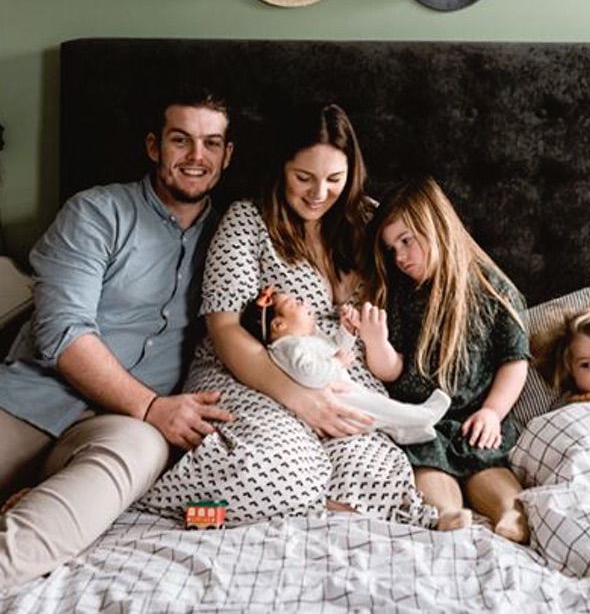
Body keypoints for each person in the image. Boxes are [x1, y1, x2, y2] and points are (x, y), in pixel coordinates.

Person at [0, 90, 235, 597]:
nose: (196, 157)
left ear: (227, 156)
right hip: (29, 399)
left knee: (139, 451)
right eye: (181, 140)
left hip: (117, 429)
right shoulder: (97, 212)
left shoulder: (234, 234)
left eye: (211, 143)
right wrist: (151, 406)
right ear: (153, 146)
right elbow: (63, 332)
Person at [141, 103, 438, 529]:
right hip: (252, 373)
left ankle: (312, 513)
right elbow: (223, 328)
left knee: (380, 477)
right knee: (281, 475)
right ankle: (165, 508)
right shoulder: (247, 222)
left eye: (334, 180)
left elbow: (443, 258)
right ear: (282, 168)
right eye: (304, 178)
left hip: (339, 381)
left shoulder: (369, 222)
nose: (319, 193)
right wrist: (299, 398)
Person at [364, 176, 531, 542]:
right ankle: (449, 515)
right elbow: (395, 370)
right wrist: (376, 343)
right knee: (427, 471)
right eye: (392, 249)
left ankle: (509, 513)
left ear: (437, 226)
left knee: (488, 466)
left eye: (406, 242)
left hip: (476, 418)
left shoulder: (491, 289)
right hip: (424, 422)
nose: (400, 257)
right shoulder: (401, 297)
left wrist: (493, 412)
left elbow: (514, 359)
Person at [240, 285, 452, 445]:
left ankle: (406, 429)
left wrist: (347, 331)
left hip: (341, 391)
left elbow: (333, 348)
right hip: (333, 398)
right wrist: (336, 363)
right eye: (295, 303)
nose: (303, 301)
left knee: (377, 409)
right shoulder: (289, 347)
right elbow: (308, 373)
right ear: (279, 325)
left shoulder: (306, 340)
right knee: (379, 407)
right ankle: (424, 416)